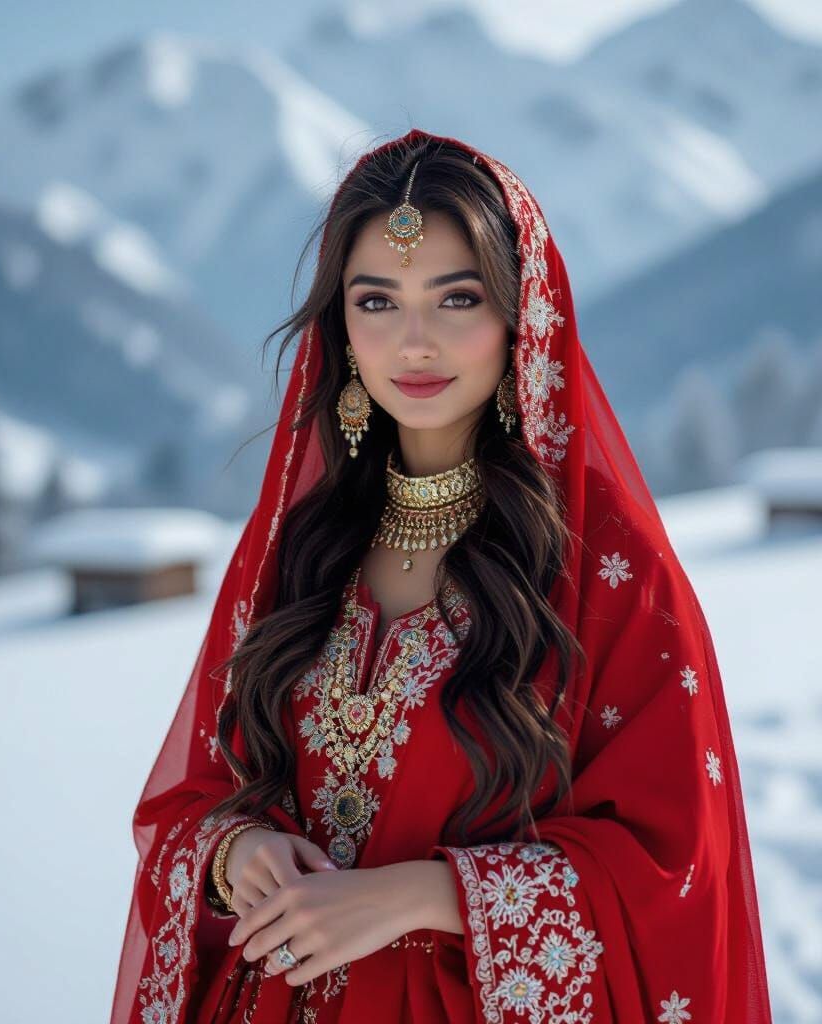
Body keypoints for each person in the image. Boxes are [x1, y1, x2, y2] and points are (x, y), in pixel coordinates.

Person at [109, 127, 773, 1024]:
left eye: (455, 298)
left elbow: (672, 864)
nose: (413, 342)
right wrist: (237, 856)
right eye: (375, 302)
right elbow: (196, 793)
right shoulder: (297, 545)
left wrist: (427, 896)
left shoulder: (605, 568)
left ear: (521, 313)